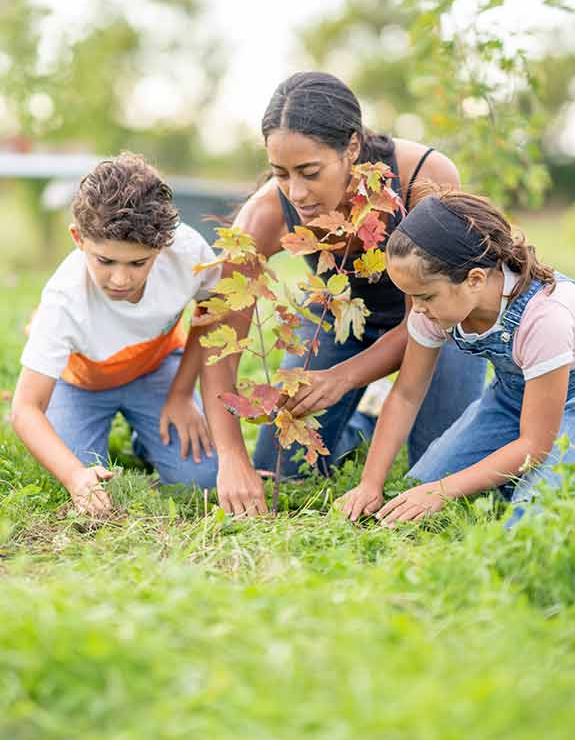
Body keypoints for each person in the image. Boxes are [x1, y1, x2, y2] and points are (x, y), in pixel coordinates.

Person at [200, 71, 487, 515]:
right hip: (339, 317)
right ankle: (366, 421)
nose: (296, 192)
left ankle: (389, 407)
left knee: (434, 471)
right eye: (280, 174)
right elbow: (220, 350)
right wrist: (231, 457)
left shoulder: (423, 178)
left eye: (310, 172)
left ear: (351, 147)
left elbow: (430, 318)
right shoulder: (262, 217)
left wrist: (342, 378)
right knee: (282, 467)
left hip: (438, 325)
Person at [337, 186, 575, 526]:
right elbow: (405, 395)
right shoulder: (433, 310)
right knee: (418, 487)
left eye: (425, 296)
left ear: (475, 278)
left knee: (531, 518)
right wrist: (369, 484)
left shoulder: (544, 317)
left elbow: (535, 443)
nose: (416, 310)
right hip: (513, 396)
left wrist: (442, 490)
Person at [11, 152, 221, 515]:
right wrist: (75, 476)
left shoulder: (188, 251)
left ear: (162, 245)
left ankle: (148, 438)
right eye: (105, 261)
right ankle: (113, 439)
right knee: (77, 469)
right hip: (79, 385)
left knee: (200, 479)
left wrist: (183, 392)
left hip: (155, 370)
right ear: (78, 238)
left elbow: (213, 310)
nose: (120, 279)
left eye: (138, 263)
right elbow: (26, 409)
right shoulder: (63, 301)